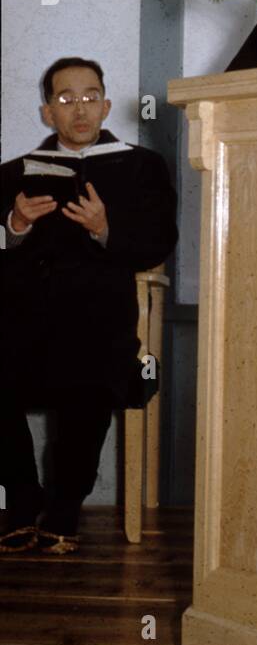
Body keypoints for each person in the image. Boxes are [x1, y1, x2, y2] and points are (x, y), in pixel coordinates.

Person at [0, 58, 178, 555]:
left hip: (99, 325)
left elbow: (159, 243)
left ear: (103, 103)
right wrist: (14, 225)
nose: (78, 109)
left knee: (90, 374)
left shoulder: (142, 166)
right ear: (46, 112)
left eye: (89, 96)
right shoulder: (14, 174)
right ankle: (20, 500)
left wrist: (104, 229)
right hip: (23, 326)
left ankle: (61, 509)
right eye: (65, 99)